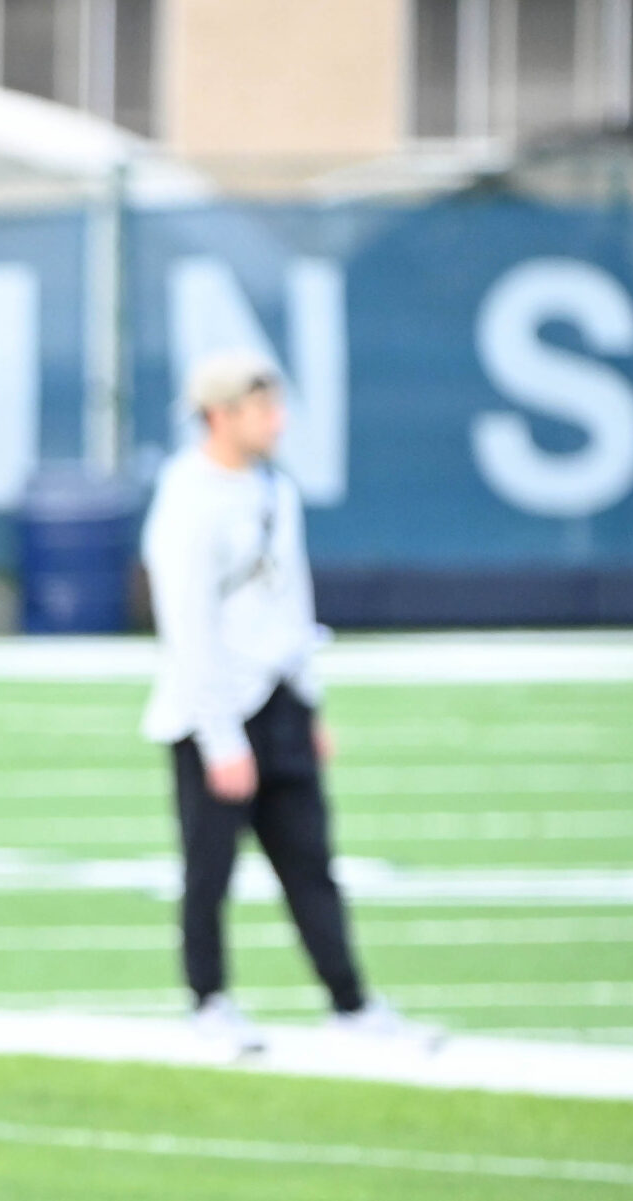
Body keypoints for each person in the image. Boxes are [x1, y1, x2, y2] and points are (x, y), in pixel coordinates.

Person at [141, 349, 438, 1056]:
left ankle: (351, 1002)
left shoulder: (276, 488)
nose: (278, 421)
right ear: (220, 415)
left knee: (311, 861)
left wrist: (311, 699)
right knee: (209, 868)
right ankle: (208, 1002)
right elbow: (188, 625)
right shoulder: (187, 495)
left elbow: (291, 601)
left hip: (281, 702)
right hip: (215, 708)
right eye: (262, 408)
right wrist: (221, 738)